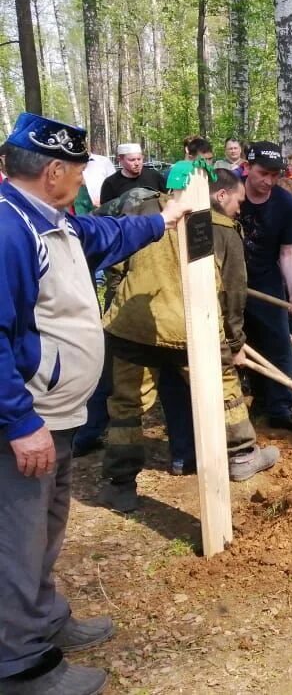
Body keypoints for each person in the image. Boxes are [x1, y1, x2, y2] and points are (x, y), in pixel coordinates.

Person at [0, 112, 191, 695]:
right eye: (80, 169)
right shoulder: (10, 231)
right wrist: (19, 421)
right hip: (29, 421)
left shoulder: (53, 221)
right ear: (54, 169)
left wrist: (165, 218)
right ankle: (19, 664)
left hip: (55, 415)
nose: (86, 179)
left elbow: (105, 238)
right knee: (17, 536)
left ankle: (44, 619)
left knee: (45, 528)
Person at [98, 167, 280, 512]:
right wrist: (236, 341)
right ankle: (241, 456)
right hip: (193, 330)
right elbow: (234, 294)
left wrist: (120, 302)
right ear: (215, 193)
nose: (239, 209)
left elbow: (115, 267)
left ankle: (120, 485)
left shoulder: (140, 212)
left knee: (127, 405)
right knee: (224, 390)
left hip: (134, 326)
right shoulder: (222, 229)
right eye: (237, 202)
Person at [238, 142, 292, 433]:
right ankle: (255, 401)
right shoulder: (230, 194)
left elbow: (288, 253)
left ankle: (280, 407)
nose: (268, 181)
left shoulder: (285, 202)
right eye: (262, 173)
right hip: (228, 281)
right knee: (240, 343)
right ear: (247, 167)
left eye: (274, 175)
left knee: (278, 342)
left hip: (266, 279)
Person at [99, 143, 166, 203]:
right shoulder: (110, 183)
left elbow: (169, 199)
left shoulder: (154, 176)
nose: (137, 163)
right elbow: (106, 212)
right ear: (120, 160)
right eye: (132, 160)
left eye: (139, 159)